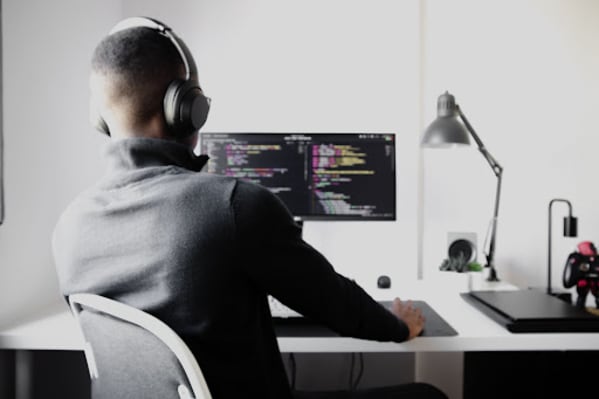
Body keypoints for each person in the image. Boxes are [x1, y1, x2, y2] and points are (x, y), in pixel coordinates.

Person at [52, 17, 448, 399]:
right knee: (428, 394)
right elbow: (338, 305)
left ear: (100, 117)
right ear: (185, 108)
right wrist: (399, 324)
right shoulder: (233, 205)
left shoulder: (69, 228)